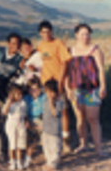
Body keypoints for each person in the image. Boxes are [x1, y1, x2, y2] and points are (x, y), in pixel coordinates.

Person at [65, 24, 107, 156]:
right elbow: (66, 72)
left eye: (88, 34)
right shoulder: (70, 51)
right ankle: (83, 144)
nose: (85, 37)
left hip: (92, 89)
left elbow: (101, 69)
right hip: (76, 89)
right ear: (76, 35)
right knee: (80, 118)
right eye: (83, 34)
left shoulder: (95, 50)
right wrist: (67, 88)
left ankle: (98, 148)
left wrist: (103, 86)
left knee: (93, 118)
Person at [37, 20, 72, 152]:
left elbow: (64, 62)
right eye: (43, 32)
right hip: (46, 83)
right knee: (49, 111)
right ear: (40, 33)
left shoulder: (58, 43)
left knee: (63, 111)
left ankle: (65, 140)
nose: (46, 34)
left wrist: (61, 81)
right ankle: (50, 139)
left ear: (52, 32)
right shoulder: (41, 45)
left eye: (48, 31)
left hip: (58, 82)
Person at [0, 32, 23, 124]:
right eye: (13, 43)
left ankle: (11, 122)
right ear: (8, 43)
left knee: (10, 103)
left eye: (17, 43)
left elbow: (20, 72)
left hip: (5, 83)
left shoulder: (19, 59)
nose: (15, 46)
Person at [2, 84, 27, 170]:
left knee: (19, 145)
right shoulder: (9, 103)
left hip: (20, 125)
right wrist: (8, 102)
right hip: (11, 126)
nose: (19, 96)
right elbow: (4, 112)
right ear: (11, 94)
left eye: (20, 94)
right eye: (17, 94)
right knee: (12, 145)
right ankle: (12, 161)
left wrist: (26, 122)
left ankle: (19, 161)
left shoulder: (23, 103)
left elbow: (24, 114)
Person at [24, 77, 45, 169]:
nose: (34, 91)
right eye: (32, 89)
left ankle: (49, 158)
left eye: (37, 89)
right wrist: (27, 121)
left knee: (46, 140)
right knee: (30, 141)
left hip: (43, 121)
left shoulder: (44, 97)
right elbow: (24, 112)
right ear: (28, 90)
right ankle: (27, 159)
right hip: (31, 121)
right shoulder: (26, 99)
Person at [42, 79, 64, 171]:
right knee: (46, 148)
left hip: (54, 131)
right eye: (47, 92)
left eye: (52, 92)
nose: (49, 94)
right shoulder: (45, 102)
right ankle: (49, 162)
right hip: (46, 130)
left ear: (56, 92)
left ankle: (53, 164)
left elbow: (55, 114)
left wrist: (52, 104)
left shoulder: (59, 103)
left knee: (55, 148)